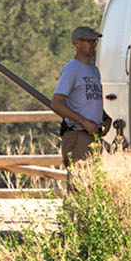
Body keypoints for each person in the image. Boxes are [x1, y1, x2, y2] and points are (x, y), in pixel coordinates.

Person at [52, 25, 107, 164]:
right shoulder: (72, 69)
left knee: (93, 177)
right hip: (78, 135)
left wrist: (105, 118)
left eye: (95, 41)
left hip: (93, 135)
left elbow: (89, 100)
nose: (93, 45)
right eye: (89, 41)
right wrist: (84, 122)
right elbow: (57, 103)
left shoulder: (94, 70)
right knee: (78, 176)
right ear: (77, 43)